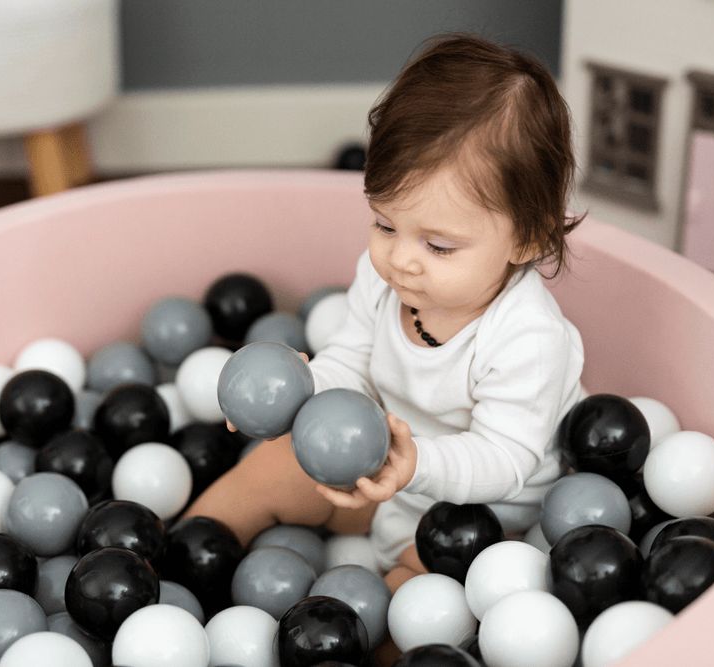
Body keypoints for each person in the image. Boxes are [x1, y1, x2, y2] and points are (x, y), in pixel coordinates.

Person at [183, 32, 586, 593]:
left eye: (438, 246)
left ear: (528, 237)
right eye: (384, 224)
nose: (401, 260)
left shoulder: (527, 337)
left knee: (422, 593)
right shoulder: (384, 277)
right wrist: (298, 390)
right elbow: (353, 360)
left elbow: (506, 456)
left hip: (479, 513)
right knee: (266, 470)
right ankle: (164, 563)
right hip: (377, 468)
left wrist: (412, 464)